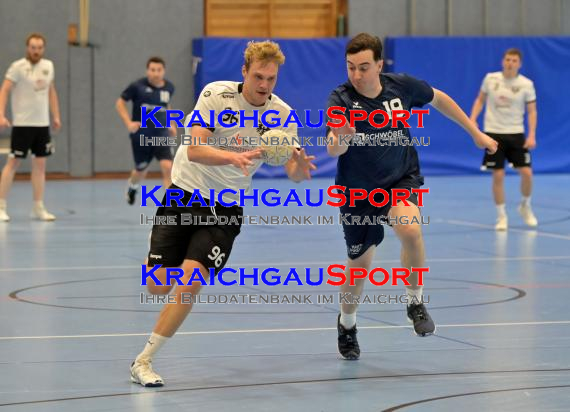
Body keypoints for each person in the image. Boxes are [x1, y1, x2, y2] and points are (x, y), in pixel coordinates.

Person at [130, 40, 317, 387]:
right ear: (244, 72)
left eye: (271, 79)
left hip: (227, 208)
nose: (264, 85)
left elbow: (291, 170)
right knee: (158, 286)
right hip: (184, 194)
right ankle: (155, 260)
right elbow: (196, 149)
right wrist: (235, 156)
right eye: (258, 76)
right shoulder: (216, 96)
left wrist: (299, 167)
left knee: (190, 281)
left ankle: (144, 360)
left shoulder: (283, 117)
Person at [326, 33, 498, 360]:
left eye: (364, 67)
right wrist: (343, 137)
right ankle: (347, 324)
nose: (356, 75)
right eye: (350, 67)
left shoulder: (400, 87)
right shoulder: (340, 99)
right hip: (357, 192)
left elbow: (439, 98)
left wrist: (475, 132)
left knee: (410, 229)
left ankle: (415, 301)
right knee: (359, 265)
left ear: (379, 64)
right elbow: (333, 147)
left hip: (399, 180)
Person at [470, 48, 538, 231]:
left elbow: (532, 111)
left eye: (514, 60)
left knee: (527, 173)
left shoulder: (526, 84)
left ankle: (525, 205)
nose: (510, 63)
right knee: (498, 174)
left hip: (516, 133)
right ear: (503, 61)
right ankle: (501, 216)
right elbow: (480, 100)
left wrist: (532, 134)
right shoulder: (491, 79)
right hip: (493, 133)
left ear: (519, 64)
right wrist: (472, 120)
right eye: (508, 59)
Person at [0, 32, 61, 222]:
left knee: (40, 165)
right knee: (13, 163)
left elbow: (51, 92)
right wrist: (1, 115)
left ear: (43, 48)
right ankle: (1, 205)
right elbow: (5, 89)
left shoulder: (48, 66)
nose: (36, 51)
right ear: (28, 48)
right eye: (33, 47)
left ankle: (38, 206)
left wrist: (56, 116)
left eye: (40, 48)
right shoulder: (17, 67)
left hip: (41, 125)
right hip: (22, 124)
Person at [116, 56, 176, 205]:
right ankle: (133, 186)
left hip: (161, 133)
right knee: (141, 170)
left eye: (159, 70)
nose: (156, 73)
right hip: (142, 134)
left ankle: (171, 206)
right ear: (147, 71)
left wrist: (171, 123)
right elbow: (120, 103)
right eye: (152, 70)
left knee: (167, 167)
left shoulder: (169, 87)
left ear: (164, 71)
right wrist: (128, 123)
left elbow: (166, 105)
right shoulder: (137, 86)